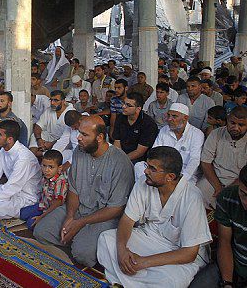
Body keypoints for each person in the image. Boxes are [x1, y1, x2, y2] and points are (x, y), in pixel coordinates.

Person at [97, 146, 212, 288]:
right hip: (149, 238)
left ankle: (124, 280)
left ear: (170, 177)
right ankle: (130, 280)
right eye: (147, 165)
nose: (145, 171)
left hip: (176, 252)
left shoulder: (192, 197)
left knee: (169, 281)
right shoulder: (144, 182)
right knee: (106, 239)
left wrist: (144, 262)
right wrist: (122, 250)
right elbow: (127, 220)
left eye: (152, 168)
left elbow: (189, 254)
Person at [33, 116, 135, 267]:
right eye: (79, 133)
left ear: (99, 137)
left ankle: (78, 244)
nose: (78, 138)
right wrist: (70, 217)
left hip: (103, 217)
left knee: (82, 254)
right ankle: (76, 241)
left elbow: (116, 208)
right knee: (41, 231)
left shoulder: (121, 162)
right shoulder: (79, 152)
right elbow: (73, 190)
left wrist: (80, 223)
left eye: (85, 135)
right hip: (79, 209)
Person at [197, 106, 247, 208]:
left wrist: (228, 190)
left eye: (241, 125)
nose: (236, 128)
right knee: (197, 194)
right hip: (215, 179)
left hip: (242, 182)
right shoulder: (216, 133)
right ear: (227, 120)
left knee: (242, 205)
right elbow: (205, 162)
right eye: (232, 123)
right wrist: (218, 187)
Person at [138, 103, 204, 183]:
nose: (169, 119)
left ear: (185, 118)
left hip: (184, 172)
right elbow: (155, 152)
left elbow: (194, 160)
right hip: (161, 169)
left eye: (174, 116)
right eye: (168, 115)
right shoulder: (164, 130)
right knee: (139, 166)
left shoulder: (197, 134)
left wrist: (182, 179)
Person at [19, 149, 68, 230]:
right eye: (44, 166)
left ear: (59, 168)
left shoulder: (60, 182)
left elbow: (56, 205)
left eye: (51, 167)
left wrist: (41, 217)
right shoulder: (47, 176)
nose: (46, 170)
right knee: (22, 214)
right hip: (43, 205)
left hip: (51, 211)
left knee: (30, 224)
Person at [112, 92, 159, 164]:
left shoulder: (149, 124)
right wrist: (118, 158)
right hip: (121, 154)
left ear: (138, 109)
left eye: (128, 105)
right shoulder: (120, 117)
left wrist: (121, 160)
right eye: (124, 103)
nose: (123, 107)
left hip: (139, 159)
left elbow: (140, 152)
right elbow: (117, 142)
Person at [30, 90, 75, 157]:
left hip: (64, 141)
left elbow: (67, 137)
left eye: (56, 100)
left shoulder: (71, 112)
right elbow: (38, 125)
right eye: (51, 100)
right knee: (34, 136)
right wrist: (39, 139)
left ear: (63, 101)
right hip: (49, 137)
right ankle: (31, 157)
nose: (52, 103)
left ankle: (41, 154)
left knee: (63, 150)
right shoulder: (49, 110)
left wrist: (51, 144)